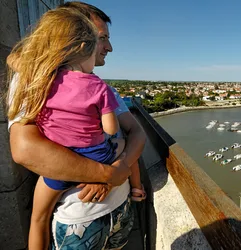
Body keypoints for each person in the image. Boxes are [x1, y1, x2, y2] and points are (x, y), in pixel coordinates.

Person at [7, 2, 146, 249]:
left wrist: (118, 169)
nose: (110, 47)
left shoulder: (100, 86)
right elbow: (24, 149)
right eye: (102, 38)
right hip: (79, 219)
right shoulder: (36, 80)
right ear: (76, 35)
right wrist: (106, 174)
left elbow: (136, 131)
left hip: (120, 207)